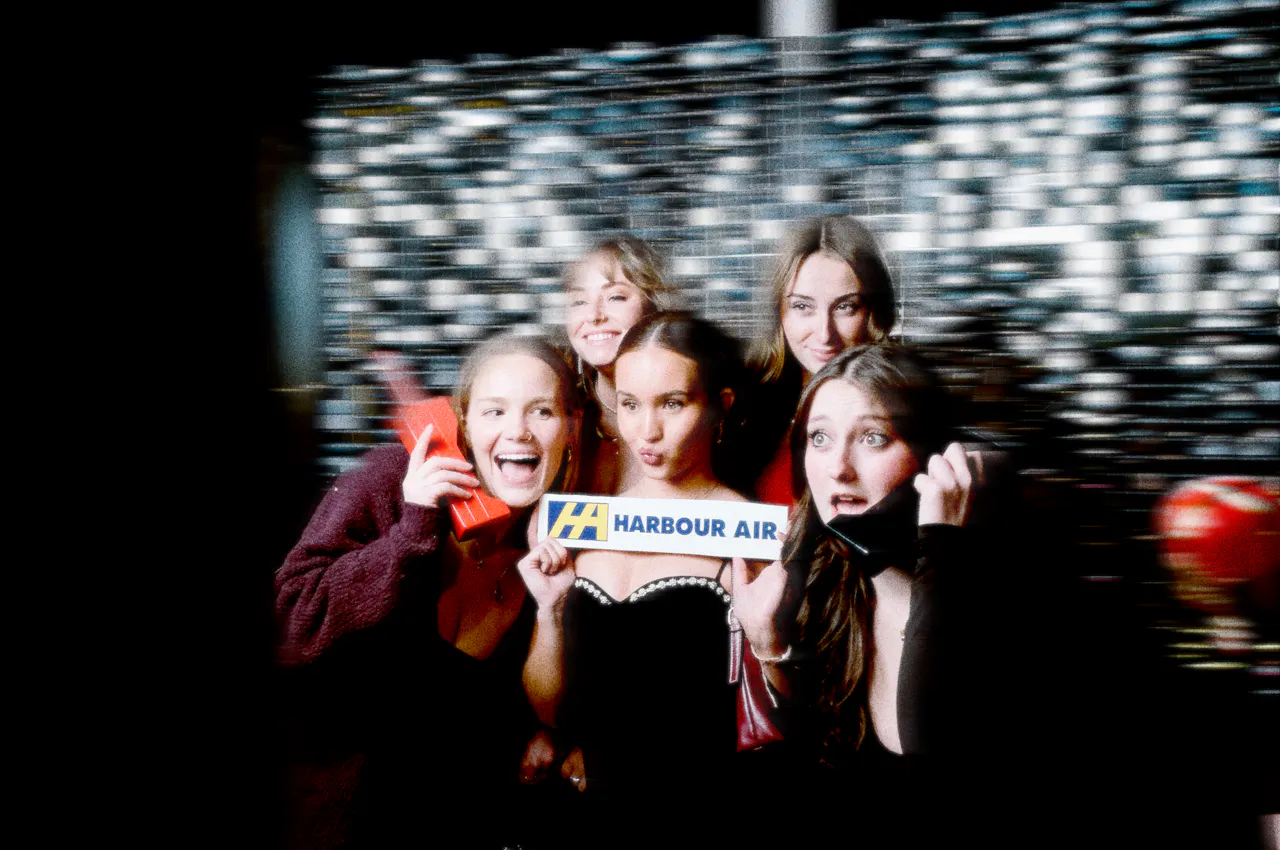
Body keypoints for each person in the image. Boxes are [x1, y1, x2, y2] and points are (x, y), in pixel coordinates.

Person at [731, 343, 1075, 846]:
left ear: (934, 460)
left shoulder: (1006, 603)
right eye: (819, 438)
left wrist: (942, 544)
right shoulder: (826, 583)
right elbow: (810, 779)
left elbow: (933, 760)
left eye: (873, 438)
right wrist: (769, 648)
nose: (838, 468)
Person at [273, 334, 582, 849]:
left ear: (571, 427)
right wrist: (411, 533)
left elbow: (500, 704)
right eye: (494, 411)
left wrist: (540, 733)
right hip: (338, 827)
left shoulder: (549, 543)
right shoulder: (391, 481)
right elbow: (290, 623)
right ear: (462, 424)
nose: (518, 432)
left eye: (543, 411)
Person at [518, 313, 746, 848]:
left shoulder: (749, 537)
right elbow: (549, 708)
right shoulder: (583, 525)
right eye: (630, 403)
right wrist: (549, 611)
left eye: (673, 403)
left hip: (691, 820)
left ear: (720, 407)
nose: (647, 430)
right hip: (583, 819)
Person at [738, 215, 898, 503]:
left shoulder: (902, 412)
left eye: (846, 307)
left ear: (873, 312)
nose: (825, 333)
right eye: (803, 306)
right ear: (779, 312)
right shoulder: (746, 412)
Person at [562, 236, 674, 495]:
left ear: (654, 307)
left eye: (615, 297)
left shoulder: (698, 408)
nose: (594, 316)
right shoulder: (555, 409)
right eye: (579, 301)